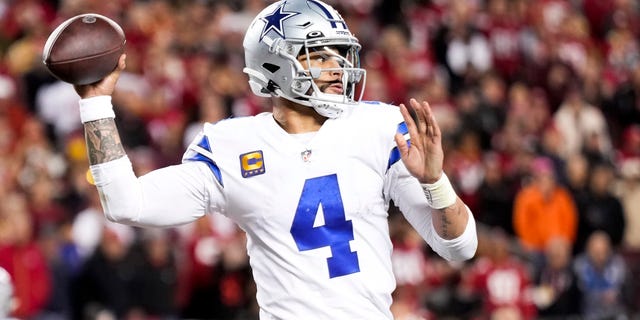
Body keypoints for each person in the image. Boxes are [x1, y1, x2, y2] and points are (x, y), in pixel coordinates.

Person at [72, 0, 478, 319]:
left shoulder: (380, 126)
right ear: (275, 64)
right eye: (319, 55)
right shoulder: (231, 144)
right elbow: (127, 204)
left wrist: (435, 181)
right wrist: (95, 105)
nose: (337, 67)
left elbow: (460, 248)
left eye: (339, 54)